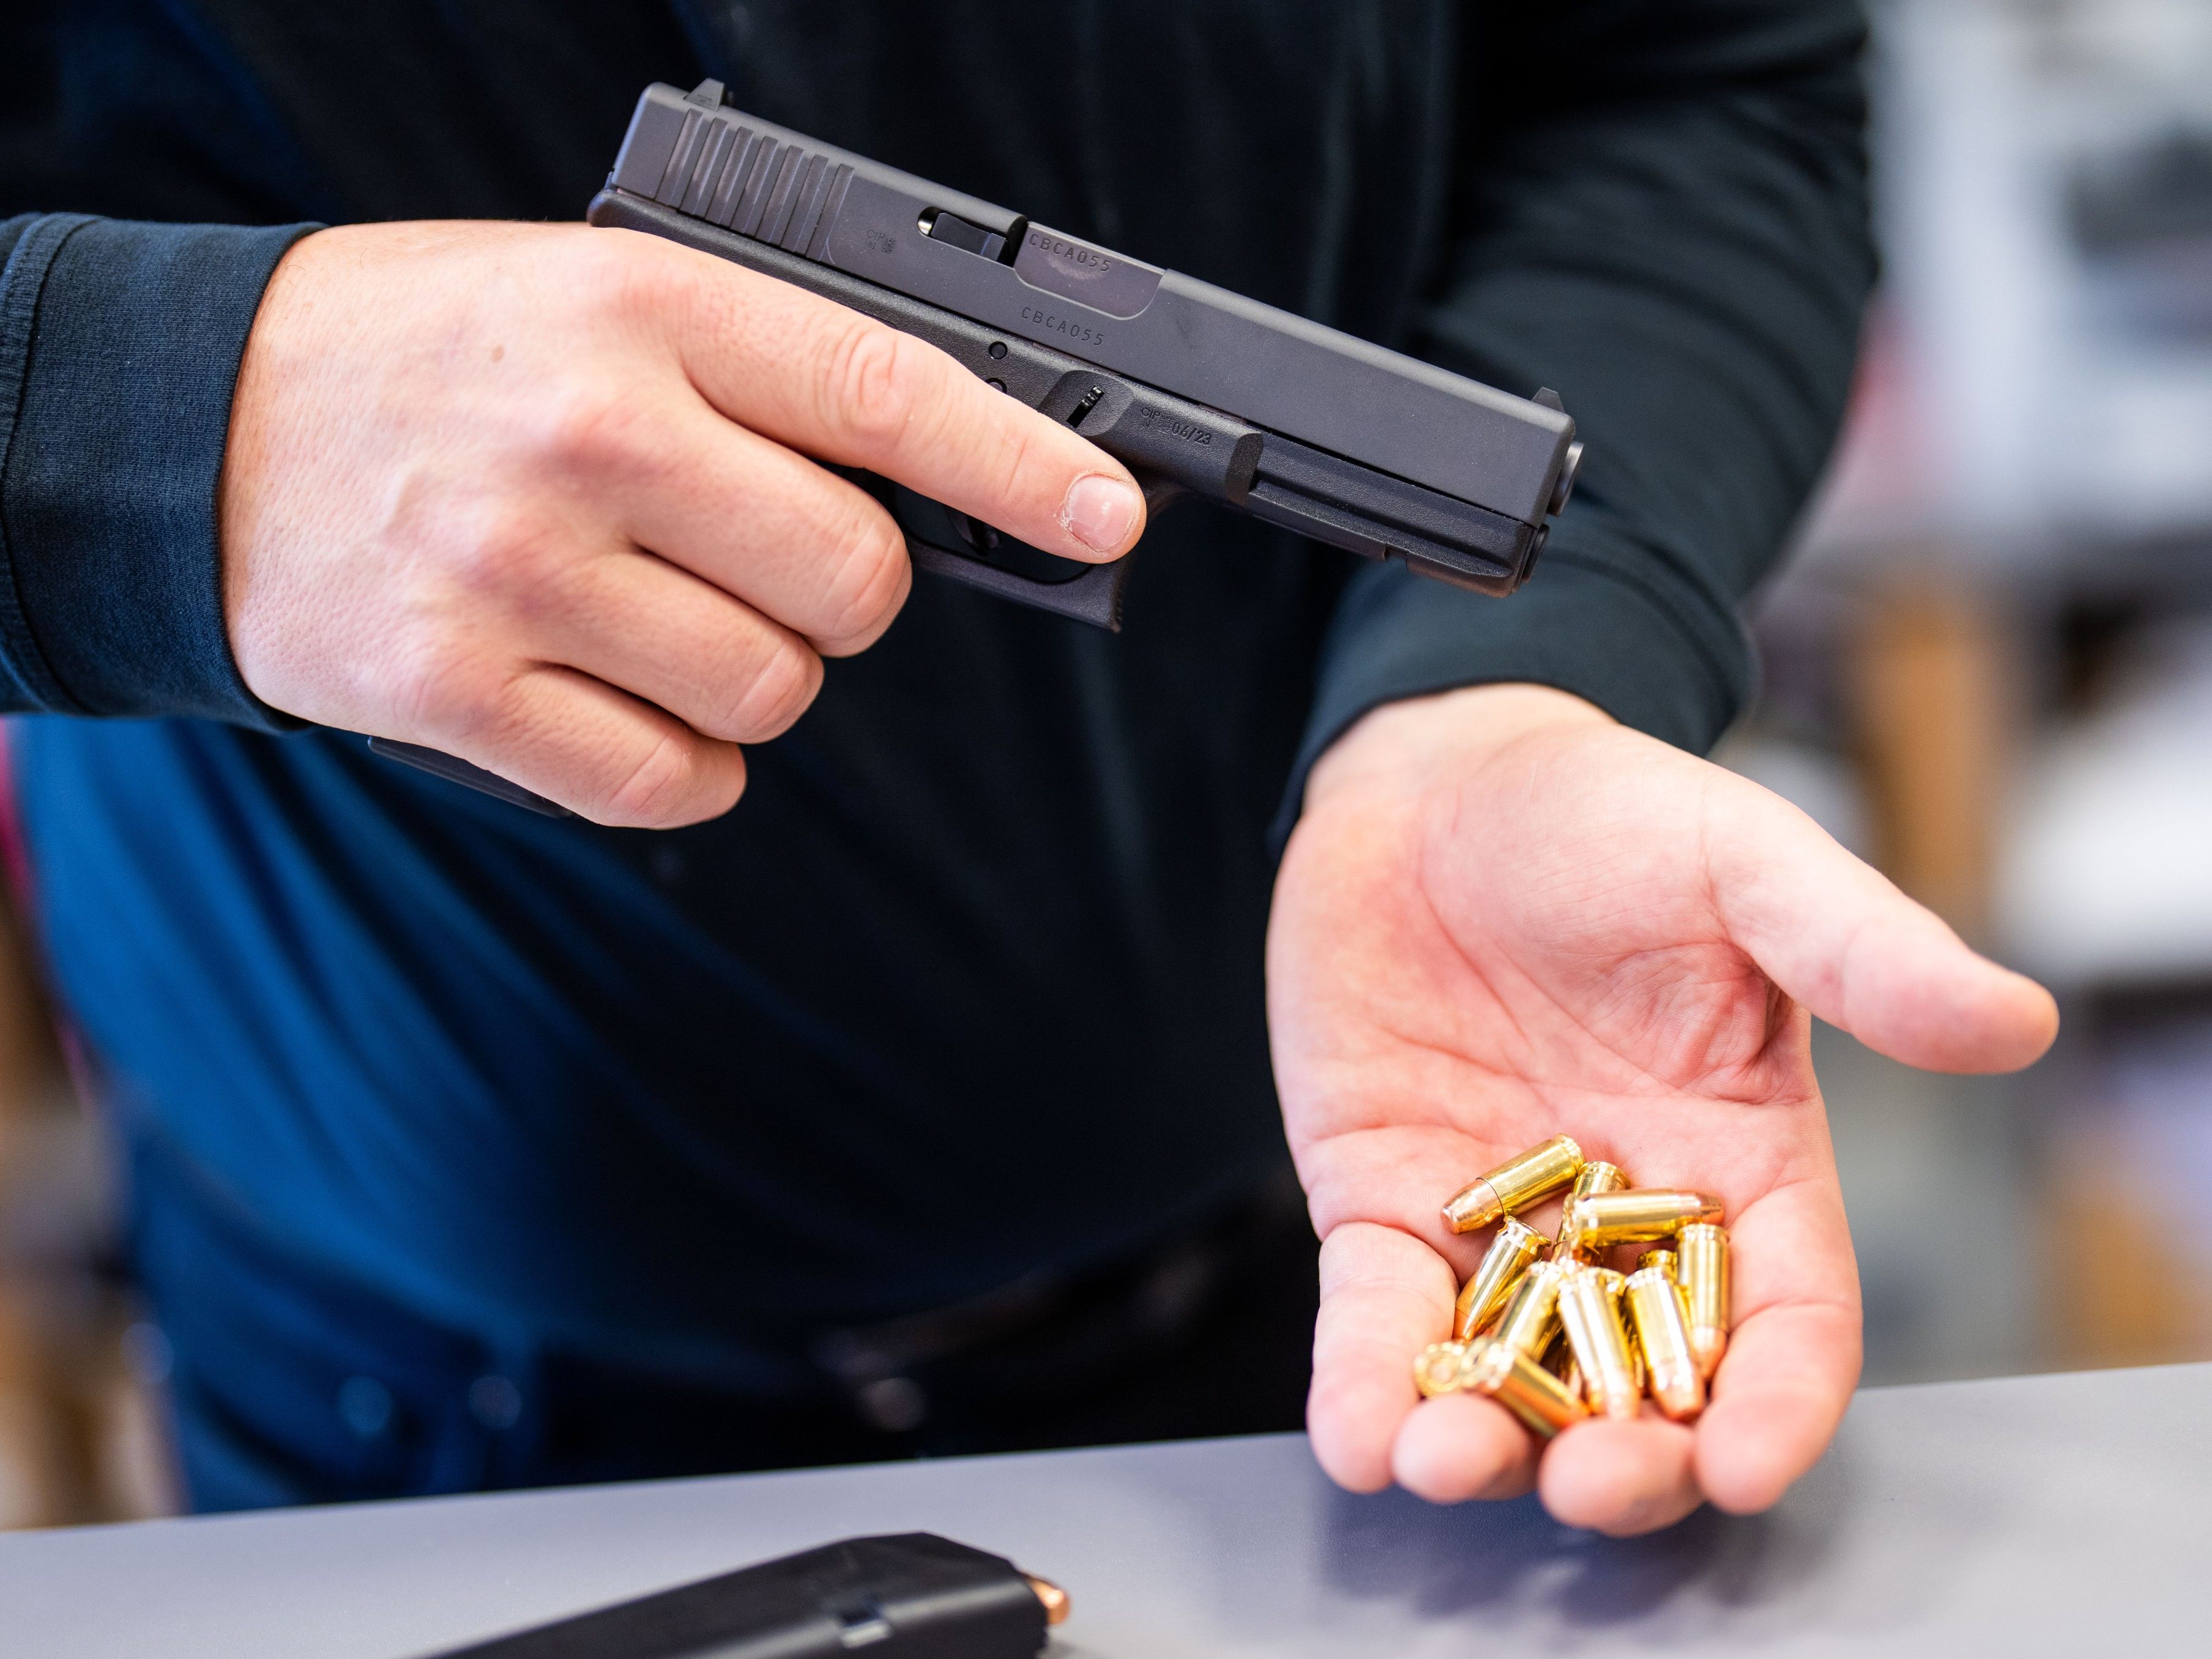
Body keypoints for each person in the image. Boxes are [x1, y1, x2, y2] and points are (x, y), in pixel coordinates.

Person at [0, 1, 2054, 1537]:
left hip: (1327, 1247)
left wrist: (1530, 666)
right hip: (427, 1395)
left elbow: (1692, 73)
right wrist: (172, 429)